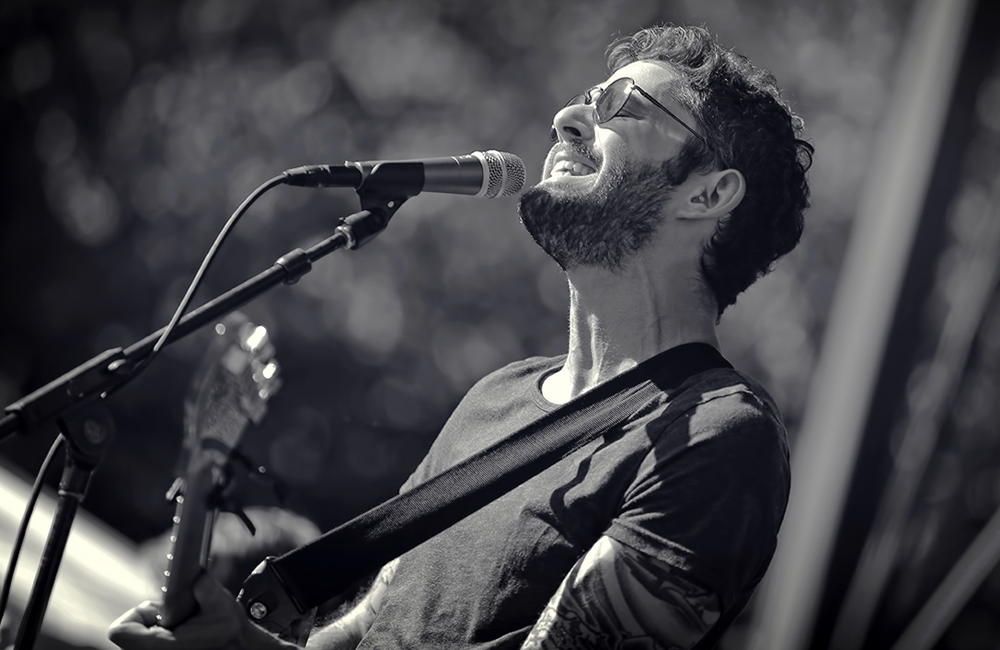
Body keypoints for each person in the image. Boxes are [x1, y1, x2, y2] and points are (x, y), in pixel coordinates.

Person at [109, 23, 813, 650]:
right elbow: (370, 629)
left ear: (709, 195)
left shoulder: (719, 434)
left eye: (618, 108)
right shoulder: (495, 399)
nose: (566, 119)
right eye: (581, 101)